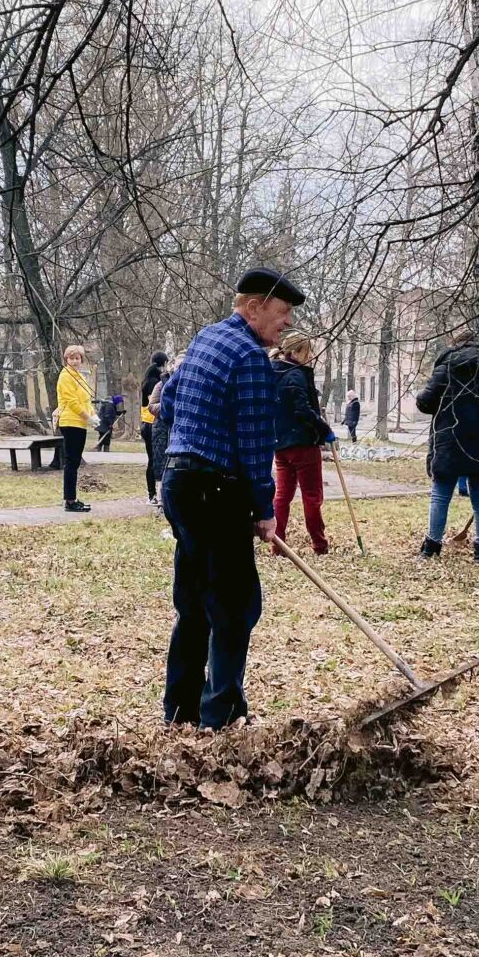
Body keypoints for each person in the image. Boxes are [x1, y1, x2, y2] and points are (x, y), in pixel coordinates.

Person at [159, 267, 301, 728]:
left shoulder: (205, 339)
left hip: (179, 484)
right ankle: (219, 716)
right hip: (215, 491)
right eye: (282, 313)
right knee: (236, 605)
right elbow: (257, 443)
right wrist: (264, 511)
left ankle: (179, 710)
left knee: (195, 602)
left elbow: (168, 400)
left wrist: (189, 443)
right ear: (254, 306)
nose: (287, 324)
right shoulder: (250, 358)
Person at [414, 327, 479, 561]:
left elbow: (425, 402)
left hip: (450, 442)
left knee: (440, 495)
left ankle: (431, 547)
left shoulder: (446, 369)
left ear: (455, 344)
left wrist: (425, 396)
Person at [270, 330, 334, 554]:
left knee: (282, 495)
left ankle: (278, 544)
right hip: (303, 444)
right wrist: (324, 429)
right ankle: (319, 544)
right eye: (308, 351)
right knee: (312, 495)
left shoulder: (274, 372)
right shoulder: (295, 375)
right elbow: (303, 410)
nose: (310, 356)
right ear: (298, 351)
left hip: (281, 444)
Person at [54, 344, 95, 513]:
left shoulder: (79, 376)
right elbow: (72, 401)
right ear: (66, 359)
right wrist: (87, 416)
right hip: (70, 421)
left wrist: (94, 415)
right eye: (71, 358)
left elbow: (86, 400)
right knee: (71, 461)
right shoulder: (65, 376)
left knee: (76, 461)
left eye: (77, 358)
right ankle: (69, 500)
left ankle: (73, 498)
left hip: (80, 423)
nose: (74, 361)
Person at [139, 350, 169, 503]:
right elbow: (153, 403)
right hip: (152, 423)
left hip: (146, 422)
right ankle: (152, 494)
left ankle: (153, 493)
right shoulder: (154, 382)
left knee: (152, 459)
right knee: (154, 460)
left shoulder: (147, 379)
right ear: (163, 363)